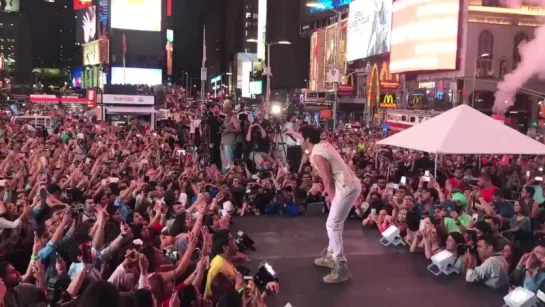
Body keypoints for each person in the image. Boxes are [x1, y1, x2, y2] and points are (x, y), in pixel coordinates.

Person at [291, 125, 361, 283]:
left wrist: (332, 199)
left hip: (345, 188)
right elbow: (307, 135)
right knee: (336, 223)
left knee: (332, 225)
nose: (298, 140)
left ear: (307, 139)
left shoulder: (317, 155)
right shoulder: (321, 144)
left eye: (300, 137)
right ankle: (331, 256)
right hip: (350, 185)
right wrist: (292, 132)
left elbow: (327, 180)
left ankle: (341, 266)